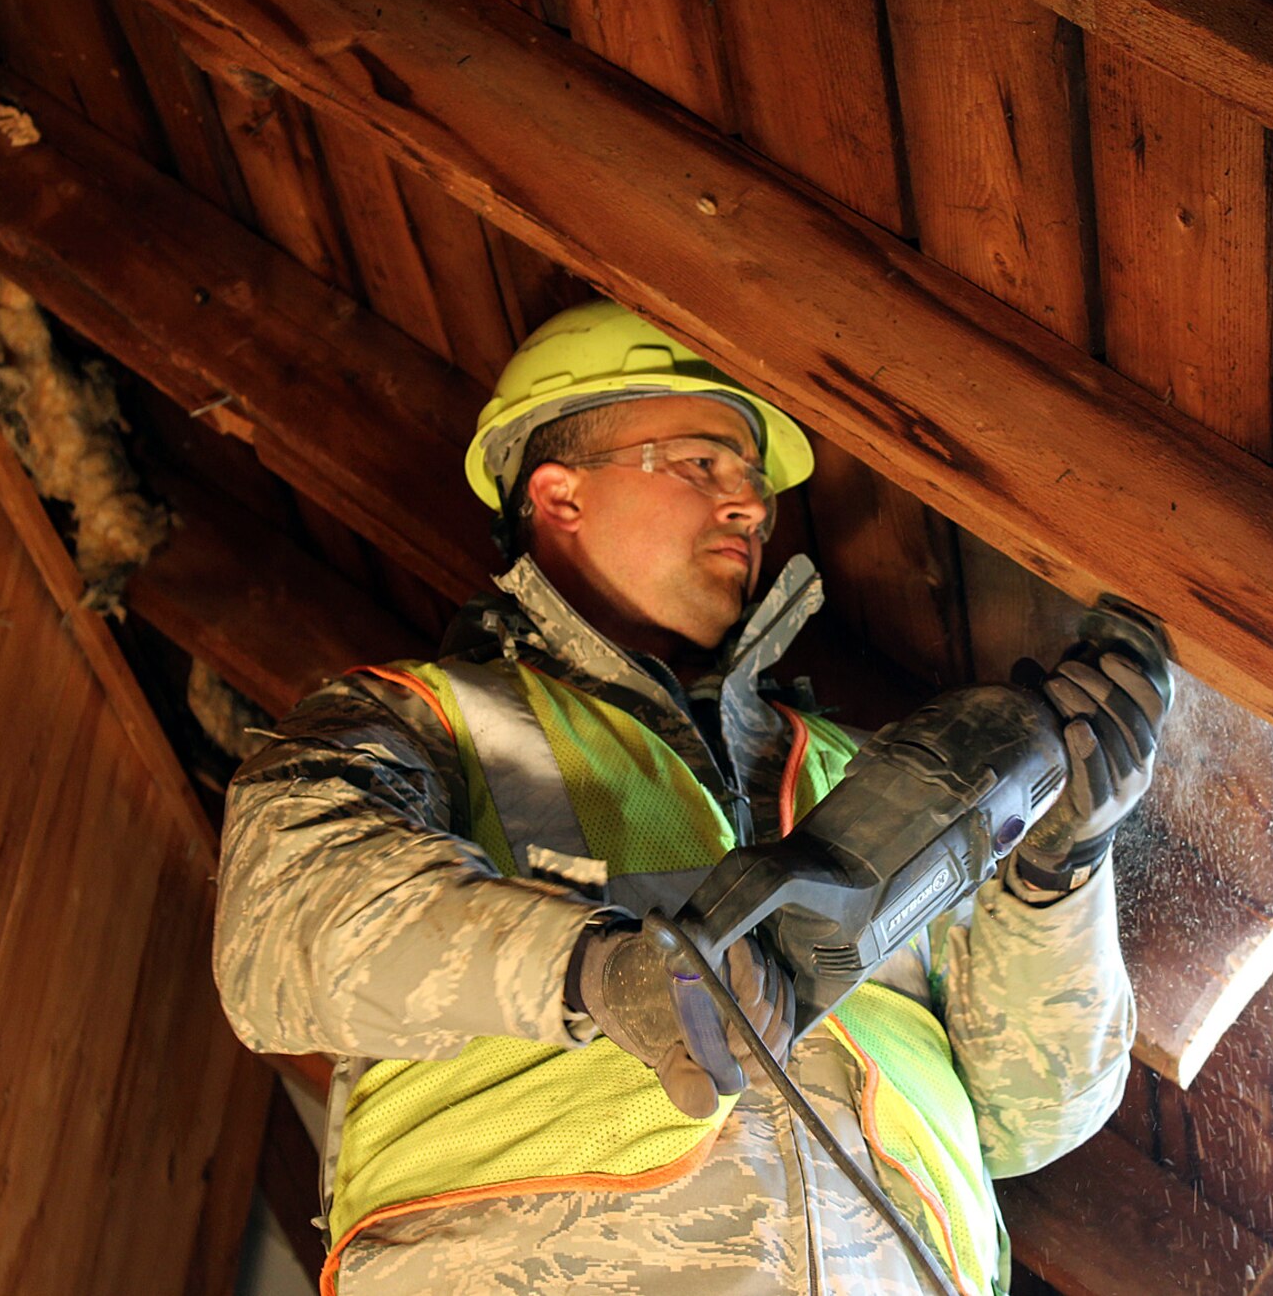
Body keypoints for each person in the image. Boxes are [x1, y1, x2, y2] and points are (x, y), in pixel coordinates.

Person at [216, 299, 1163, 1295]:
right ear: (559, 494)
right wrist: (594, 972)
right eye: (702, 463)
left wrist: (1054, 874)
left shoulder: (868, 769)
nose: (749, 503)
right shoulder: (427, 718)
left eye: (751, 478)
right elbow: (279, 928)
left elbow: (1030, 1111)